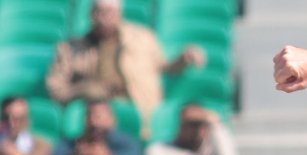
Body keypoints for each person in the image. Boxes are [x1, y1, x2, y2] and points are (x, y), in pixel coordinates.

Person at [44, 0, 206, 139]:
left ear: (119, 14)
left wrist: (184, 59)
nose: (104, 18)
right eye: (99, 12)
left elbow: (165, 67)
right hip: (94, 114)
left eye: (109, 12)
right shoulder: (72, 48)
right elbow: (56, 87)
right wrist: (83, 90)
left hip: (135, 105)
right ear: (91, 15)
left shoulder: (142, 38)